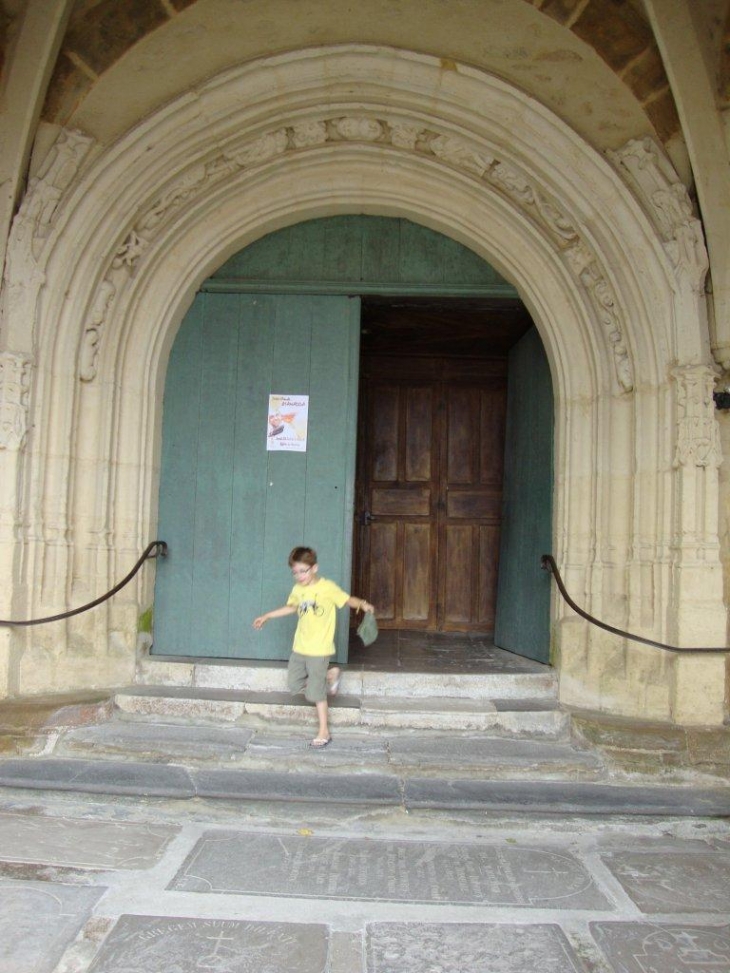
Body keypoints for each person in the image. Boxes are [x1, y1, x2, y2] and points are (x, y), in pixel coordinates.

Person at [252, 546, 375, 748]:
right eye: (295, 572)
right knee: (294, 683)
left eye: (303, 571)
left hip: (320, 649)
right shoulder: (298, 590)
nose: (299, 576)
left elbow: (346, 600)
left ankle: (324, 731)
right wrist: (267, 616)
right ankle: (331, 674)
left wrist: (363, 604)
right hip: (300, 646)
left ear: (314, 568)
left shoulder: (327, 588)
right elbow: (292, 607)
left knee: (316, 693)